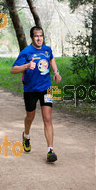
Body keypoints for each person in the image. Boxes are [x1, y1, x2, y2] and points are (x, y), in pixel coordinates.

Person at [10, 26, 62, 162]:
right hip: (30, 90)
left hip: (46, 88)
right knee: (30, 117)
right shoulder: (26, 52)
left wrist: (56, 72)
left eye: (41, 36)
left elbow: (51, 59)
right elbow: (13, 70)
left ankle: (50, 150)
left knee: (48, 118)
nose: (39, 38)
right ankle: (26, 136)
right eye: (36, 36)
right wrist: (26, 66)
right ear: (32, 37)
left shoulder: (47, 49)